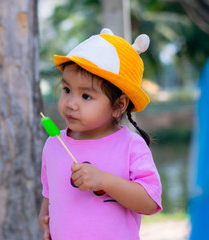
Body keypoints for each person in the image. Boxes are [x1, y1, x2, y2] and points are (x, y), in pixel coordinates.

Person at [38, 28, 162, 240]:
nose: (70, 103)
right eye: (67, 90)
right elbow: (51, 194)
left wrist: (104, 181)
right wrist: (45, 215)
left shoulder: (130, 146)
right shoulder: (53, 144)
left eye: (86, 96)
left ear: (118, 105)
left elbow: (150, 202)